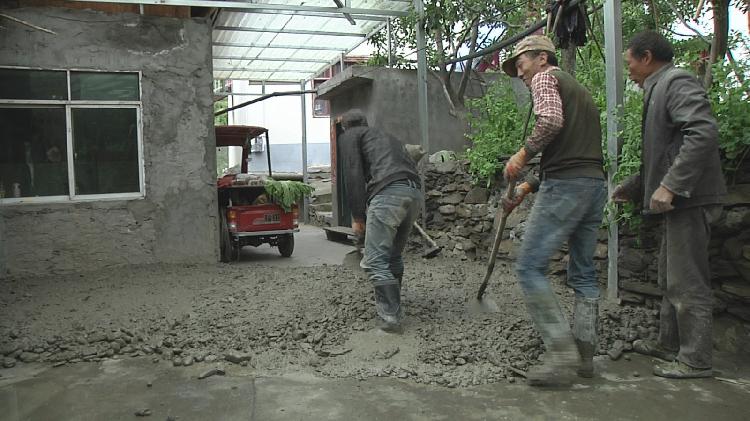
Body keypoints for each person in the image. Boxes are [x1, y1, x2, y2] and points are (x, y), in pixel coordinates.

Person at [614, 30, 726, 379]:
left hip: (690, 200)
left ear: (646, 57)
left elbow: (702, 132)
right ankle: (669, 345)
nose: (628, 68)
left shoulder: (677, 82)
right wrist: (636, 187)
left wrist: (671, 186)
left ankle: (695, 359)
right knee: (669, 275)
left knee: (687, 279)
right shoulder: (660, 87)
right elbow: (666, 151)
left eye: (629, 60)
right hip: (681, 200)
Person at [500, 35, 607, 385]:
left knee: (530, 266)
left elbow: (549, 124)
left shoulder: (546, 78)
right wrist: (527, 186)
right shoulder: (580, 91)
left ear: (542, 58)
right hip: (592, 187)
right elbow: (570, 152)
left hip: (567, 187)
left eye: (522, 64)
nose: (521, 74)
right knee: (584, 275)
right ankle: (584, 358)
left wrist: (522, 153)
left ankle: (560, 352)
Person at [339, 109, 423, 333]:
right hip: (414, 193)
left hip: (388, 194)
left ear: (345, 126)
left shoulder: (350, 135)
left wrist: (358, 216)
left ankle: (391, 320)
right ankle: (395, 308)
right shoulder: (386, 137)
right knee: (393, 256)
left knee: (374, 261)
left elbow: (353, 173)